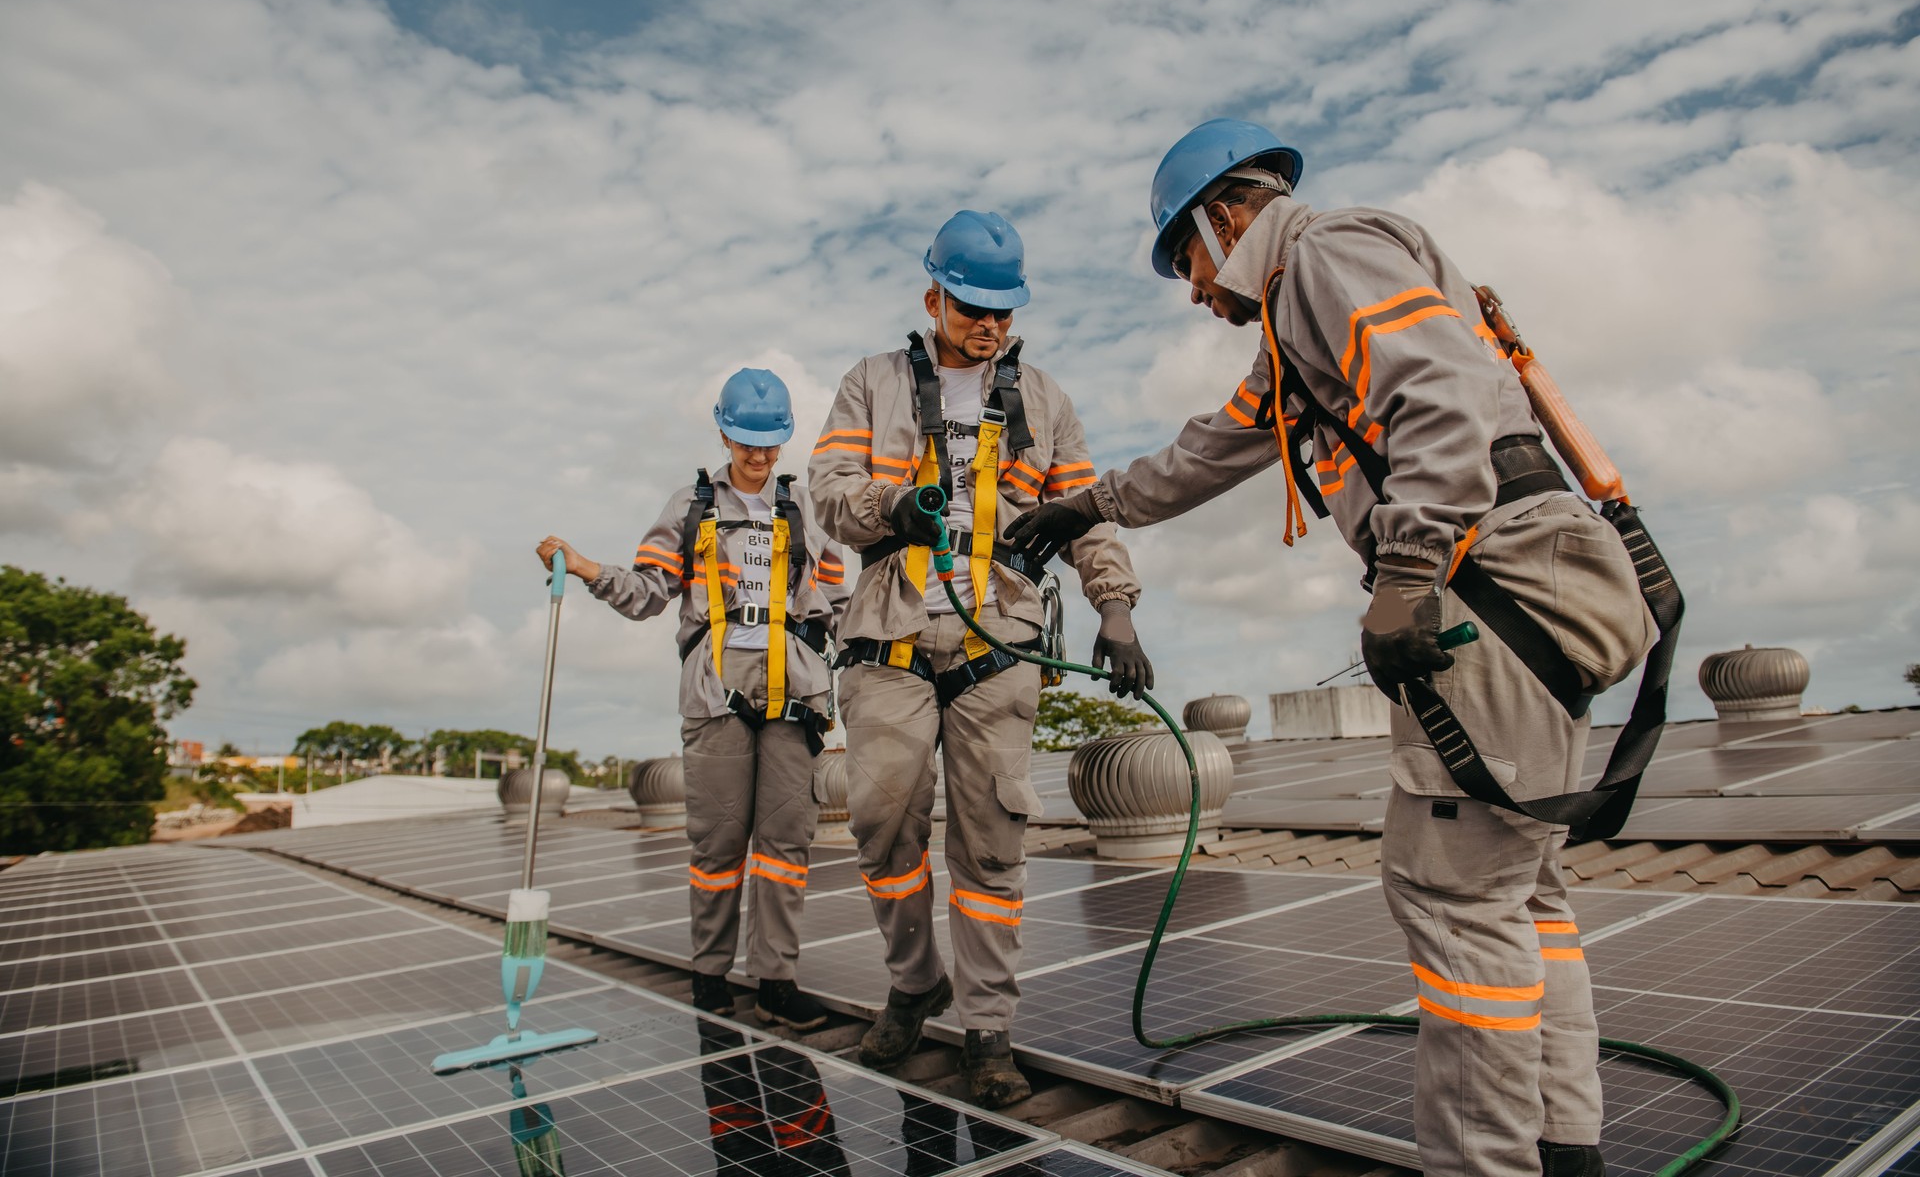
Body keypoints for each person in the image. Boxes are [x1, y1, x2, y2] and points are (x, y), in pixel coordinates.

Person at [1005, 121, 1656, 1177]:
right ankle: (1562, 1144)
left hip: (1490, 585)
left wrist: (1407, 569)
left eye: (1186, 259)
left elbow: (1438, 387)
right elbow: (1212, 448)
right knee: (1521, 889)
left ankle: (1488, 1163)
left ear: (1226, 215)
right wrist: (1092, 502)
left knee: (1455, 895)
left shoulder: (1321, 255)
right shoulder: (1297, 323)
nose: (1191, 291)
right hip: (1525, 585)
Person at [808, 209, 1151, 1108]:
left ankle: (989, 1026)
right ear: (934, 298)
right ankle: (917, 980)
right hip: (887, 636)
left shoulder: (1043, 398)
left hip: (1000, 640)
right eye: (970, 307)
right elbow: (829, 492)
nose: (989, 325)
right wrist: (895, 508)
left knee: (994, 840)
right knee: (882, 821)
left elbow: (1085, 511)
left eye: (1003, 311)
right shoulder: (871, 383)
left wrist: (1115, 607)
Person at [538, 367, 850, 1031]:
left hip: (795, 690)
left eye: (770, 445)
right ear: (723, 433)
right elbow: (649, 592)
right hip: (715, 690)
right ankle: (709, 973)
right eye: (746, 444)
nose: (759, 458)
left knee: (786, 841)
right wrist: (587, 566)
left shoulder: (808, 511)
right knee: (718, 841)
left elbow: (840, 605)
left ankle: (776, 980)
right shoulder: (691, 506)